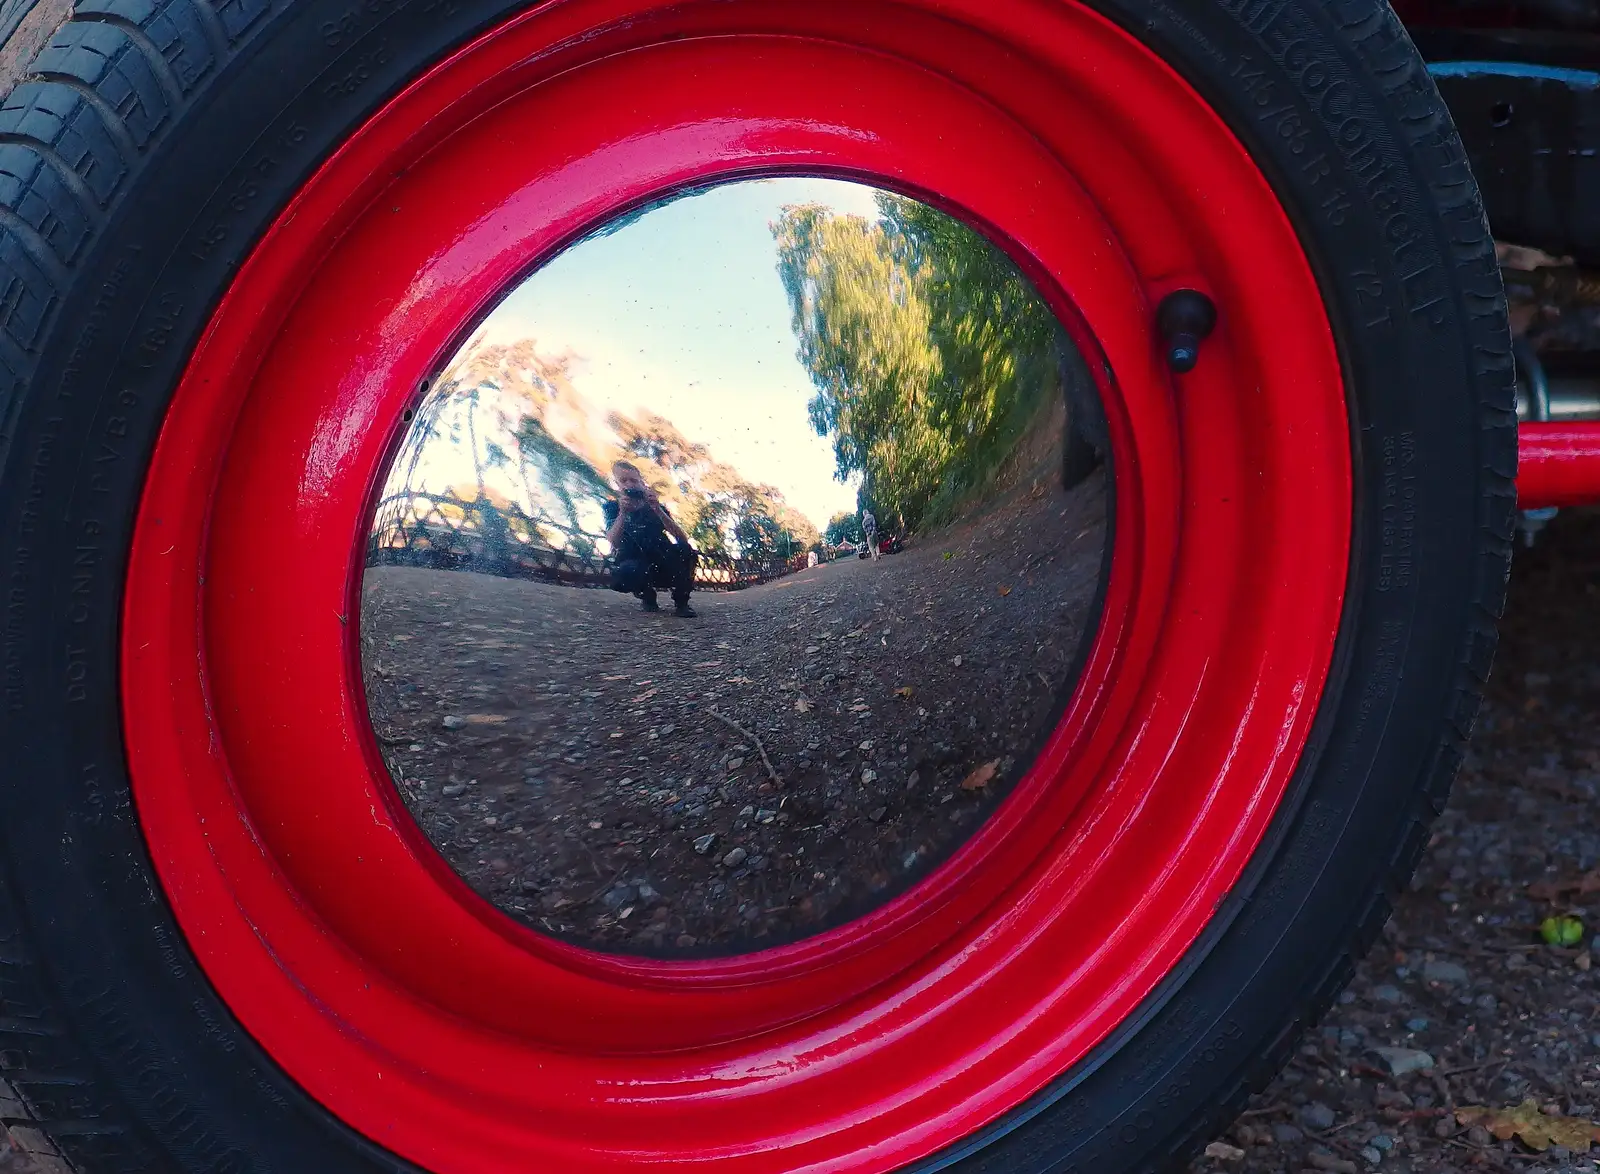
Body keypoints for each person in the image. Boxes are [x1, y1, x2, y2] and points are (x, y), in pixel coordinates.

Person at [603, 461, 698, 617]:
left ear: (642, 483)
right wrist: (622, 513)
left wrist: (658, 510)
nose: (630, 485)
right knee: (628, 570)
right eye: (624, 480)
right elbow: (613, 540)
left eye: (634, 480)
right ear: (617, 484)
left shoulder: (655, 506)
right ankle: (646, 595)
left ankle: (682, 602)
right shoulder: (612, 508)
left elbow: (681, 538)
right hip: (633, 559)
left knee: (685, 550)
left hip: (662, 557)